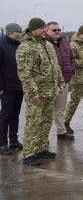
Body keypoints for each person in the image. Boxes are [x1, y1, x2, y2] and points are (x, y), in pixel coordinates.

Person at [16, 18, 65, 165]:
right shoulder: (25, 48)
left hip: (50, 91)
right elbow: (24, 73)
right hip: (36, 93)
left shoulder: (48, 45)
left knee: (45, 121)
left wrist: (60, 81)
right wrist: (32, 92)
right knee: (34, 121)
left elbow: (55, 66)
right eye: (42, 28)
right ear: (34, 30)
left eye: (45, 27)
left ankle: (41, 148)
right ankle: (29, 153)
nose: (45, 30)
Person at [46, 21, 75, 140]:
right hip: (49, 83)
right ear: (47, 30)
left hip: (64, 81)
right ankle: (43, 136)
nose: (57, 32)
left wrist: (72, 69)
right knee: (46, 110)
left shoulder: (65, 44)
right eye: (54, 30)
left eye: (59, 30)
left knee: (60, 108)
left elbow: (72, 58)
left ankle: (61, 131)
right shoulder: (44, 44)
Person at [0, 23, 23, 155]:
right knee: (5, 115)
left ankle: (13, 140)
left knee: (15, 115)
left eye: (20, 32)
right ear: (9, 33)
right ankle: (2, 143)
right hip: (7, 87)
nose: (18, 34)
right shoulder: (2, 46)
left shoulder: (20, 46)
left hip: (19, 86)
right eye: (16, 32)